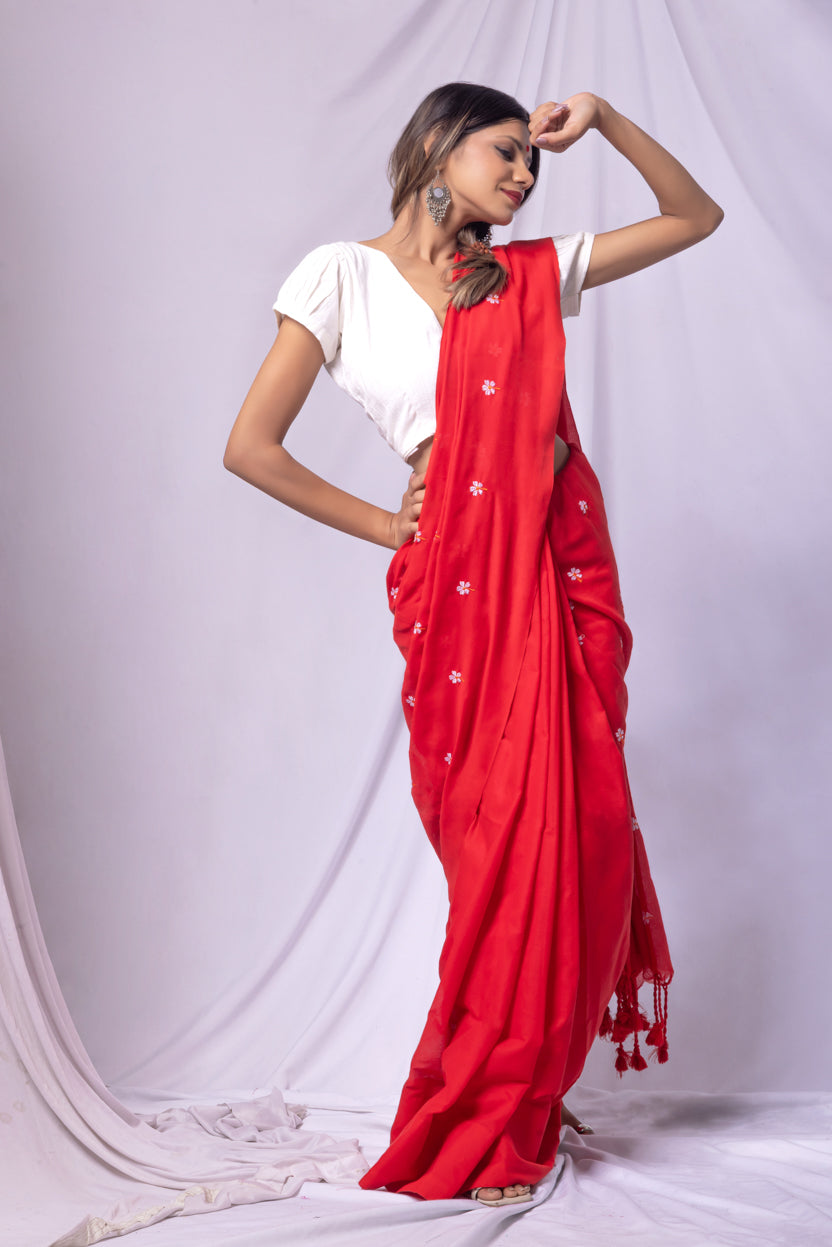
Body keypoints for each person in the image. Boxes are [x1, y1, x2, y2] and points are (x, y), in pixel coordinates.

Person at [224, 82, 723, 1208]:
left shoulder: (524, 275)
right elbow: (251, 446)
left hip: (549, 576)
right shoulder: (336, 274)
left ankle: (523, 1095)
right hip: (457, 591)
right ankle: (483, 1099)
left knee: (578, 839)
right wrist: (389, 521)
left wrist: (601, 122)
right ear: (438, 145)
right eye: (505, 153)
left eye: (530, 164)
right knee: (498, 856)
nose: (522, 177)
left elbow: (694, 218)